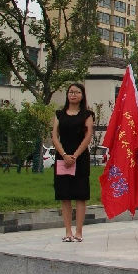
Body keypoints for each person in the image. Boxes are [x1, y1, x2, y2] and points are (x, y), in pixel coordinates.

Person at [51, 83, 95, 242]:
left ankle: (79, 232)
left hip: (80, 158)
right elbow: (55, 136)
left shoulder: (87, 115)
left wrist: (74, 156)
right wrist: (63, 154)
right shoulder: (59, 114)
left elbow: (88, 137)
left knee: (80, 195)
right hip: (62, 158)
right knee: (65, 195)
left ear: (82, 95)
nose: (73, 94)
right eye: (71, 92)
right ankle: (68, 232)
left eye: (77, 92)